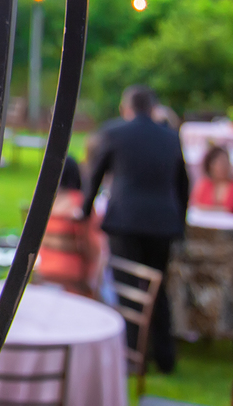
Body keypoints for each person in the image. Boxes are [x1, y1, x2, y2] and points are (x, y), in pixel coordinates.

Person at [82, 85, 189, 374]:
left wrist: (85, 209)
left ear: (125, 108)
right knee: (157, 289)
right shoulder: (170, 137)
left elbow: (95, 174)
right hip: (163, 225)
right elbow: (183, 184)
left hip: (125, 222)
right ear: (153, 108)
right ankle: (165, 357)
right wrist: (180, 222)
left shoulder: (114, 132)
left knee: (128, 289)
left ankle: (132, 356)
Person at [34, 156, 103, 296]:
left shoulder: (44, 203)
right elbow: (93, 248)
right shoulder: (81, 203)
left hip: (44, 271)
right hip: (75, 279)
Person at [191, 145, 233, 210]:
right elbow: (196, 206)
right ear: (211, 166)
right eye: (219, 164)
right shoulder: (204, 185)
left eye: (225, 162)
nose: (223, 167)